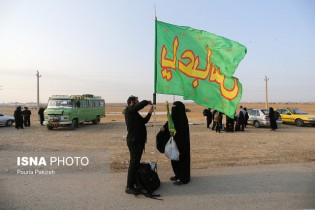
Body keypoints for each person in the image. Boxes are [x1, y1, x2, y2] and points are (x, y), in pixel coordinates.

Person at [124, 95, 154, 195]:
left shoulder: (134, 113)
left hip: (138, 141)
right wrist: (147, 101)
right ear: (132, 102)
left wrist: (150, 111)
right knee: (134, 163)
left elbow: (144, 121)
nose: (138, 102)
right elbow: (139, 106)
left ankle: (135, 183)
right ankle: (129, 186)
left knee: (136, 163)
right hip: (134, 141)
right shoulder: (129, 110)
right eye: (137, 101)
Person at [159, 101, 190, 185]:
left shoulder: (182, 119)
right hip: (174, 144)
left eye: (175, 107)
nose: (174, 109)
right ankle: (177, 175)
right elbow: (168, 125)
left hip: (182, 145)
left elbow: (181, 134)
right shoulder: (173, 117)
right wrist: (162, 130)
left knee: (181, 161)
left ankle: (184, 178)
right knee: (174, 159)